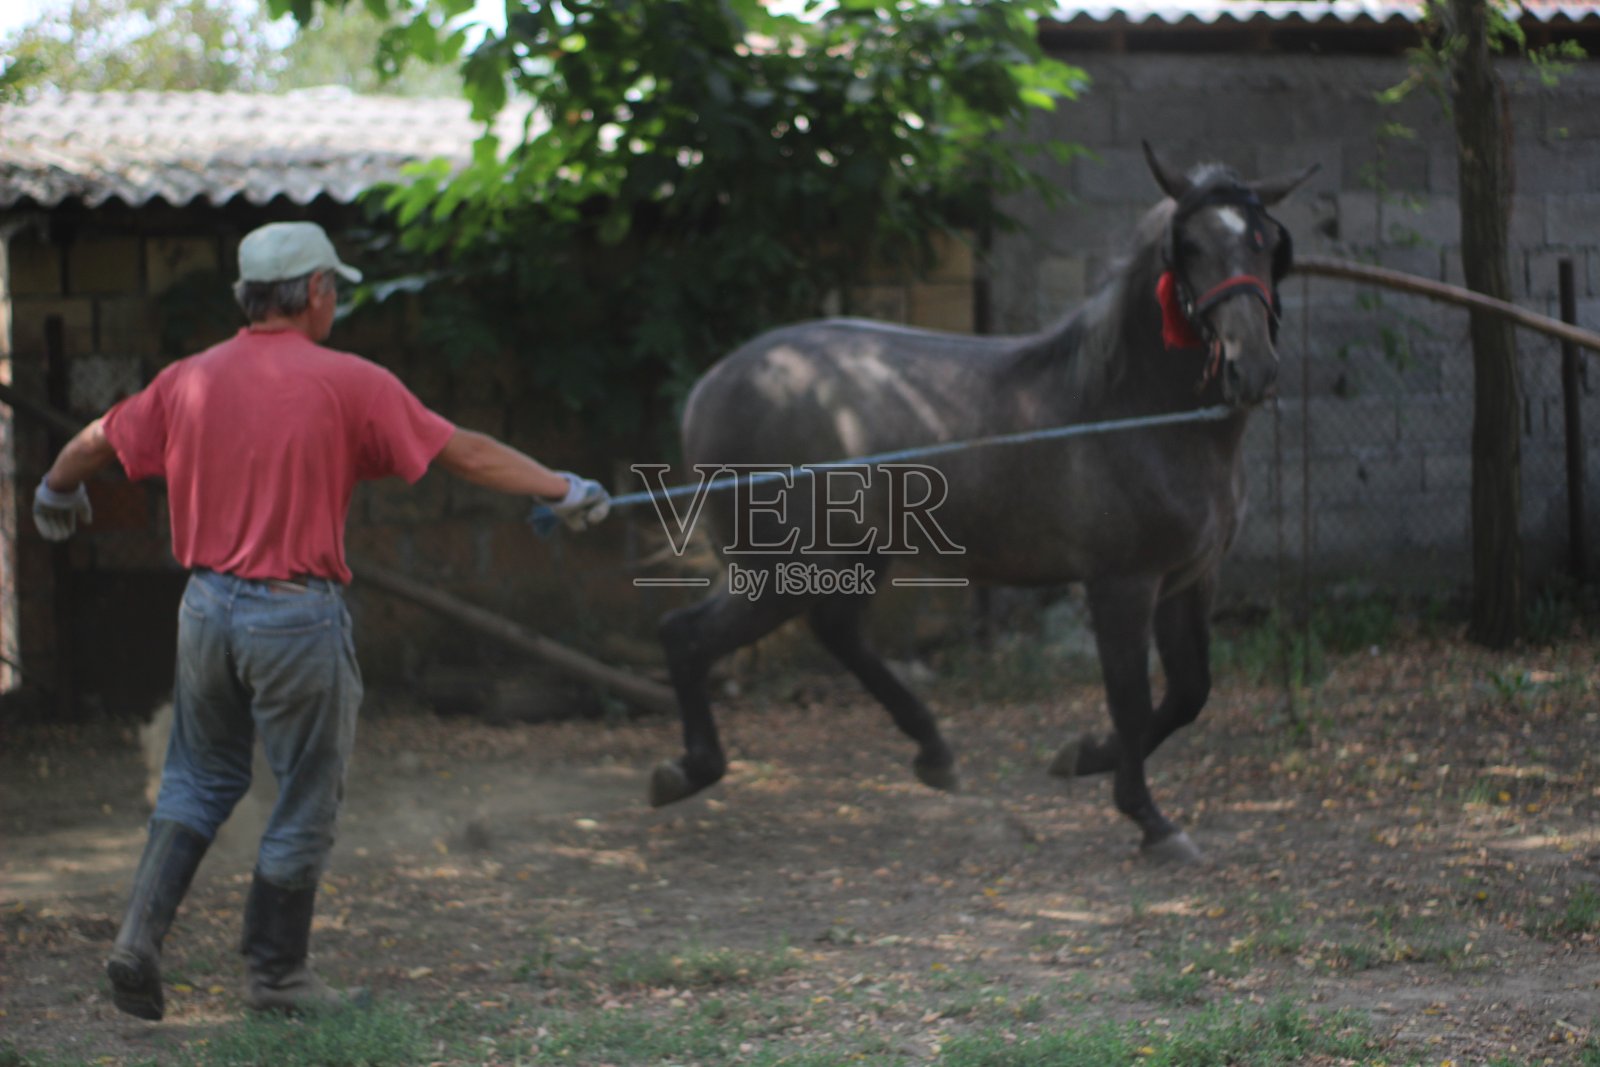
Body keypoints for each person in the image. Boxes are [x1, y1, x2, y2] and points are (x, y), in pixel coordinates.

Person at [31, 220, 611, 1020]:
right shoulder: (349, 380)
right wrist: (561, 488)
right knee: (306, 791)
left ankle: (138, 938)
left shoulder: (188, 379)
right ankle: (276, 976)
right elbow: (463, 451)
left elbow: (98, 439)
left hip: (204, 607)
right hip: (293, 618)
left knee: (197, 778)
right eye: (333, 286)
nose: (334, 299)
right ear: (313, 291)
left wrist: (55, 490)